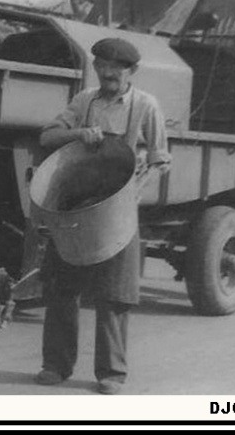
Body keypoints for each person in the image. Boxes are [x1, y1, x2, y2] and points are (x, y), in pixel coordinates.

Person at [34, 37, 171, 395]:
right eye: (102, 67)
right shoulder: (84, 101)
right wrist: (78, 132)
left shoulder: (146, 106)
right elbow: (48, 136)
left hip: (120, 211)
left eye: (117, 68)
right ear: (95, 68)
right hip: (80, 205)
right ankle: (55, 365)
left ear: (132, 72)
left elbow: (160, 160)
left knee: (115, 295)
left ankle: (112, 373)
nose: (109, 74)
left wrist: (137, 194)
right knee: (62, 289)